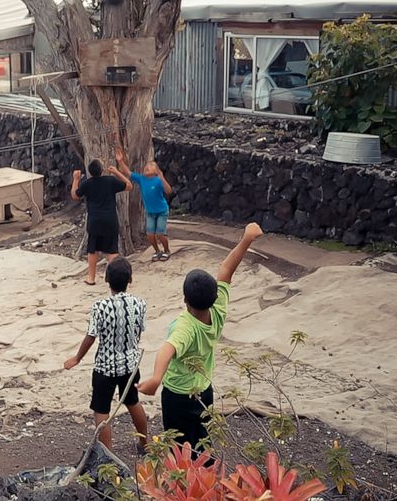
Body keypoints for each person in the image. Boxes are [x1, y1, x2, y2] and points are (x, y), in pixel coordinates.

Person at [137, 222, 264, 456]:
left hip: (177, 396)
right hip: (204, 391)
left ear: (185, 299)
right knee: (203, 444)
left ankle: (183, 487)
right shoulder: (218, 312)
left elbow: (167, 349)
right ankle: (205, 483)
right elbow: (227, 269)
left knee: (178, 448)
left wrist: (156, 378)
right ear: (215, 296)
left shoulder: (186, 327)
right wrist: (246, 239)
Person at [63, 257, 149, 452]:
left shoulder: (100, 307)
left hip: (105, 367)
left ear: (106, 279)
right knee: (133, 401)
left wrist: (77, 358)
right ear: (130, 280)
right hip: (130, 365)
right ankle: (146, 444)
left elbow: (91, 336)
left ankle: (107, 454)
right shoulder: (140, 304)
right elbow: (138, 331)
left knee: (101, 409)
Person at [71, 159, 133, 285]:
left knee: (92, 250)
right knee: (112, 251)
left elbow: (75, 196)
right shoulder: (110, 181)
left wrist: (76, 179)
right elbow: (129, 185)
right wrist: (116, 172)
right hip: (110, 220)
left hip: (94, 221)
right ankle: (115, 279)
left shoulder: (87, 184)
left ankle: (91, 278)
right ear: (102, 170)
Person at [116, 148, 173, 262]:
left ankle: (167, 250)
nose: (146, 168)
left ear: (156, 170)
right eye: (145, 167)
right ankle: (157, 251)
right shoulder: (141, 179)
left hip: (162, 211)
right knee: (150, 235)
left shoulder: (158, 180)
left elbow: (168, 191)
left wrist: (161, 176)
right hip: (150, 212)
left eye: (150, 166)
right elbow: (127, 172)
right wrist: (120, 161)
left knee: (160, 234)